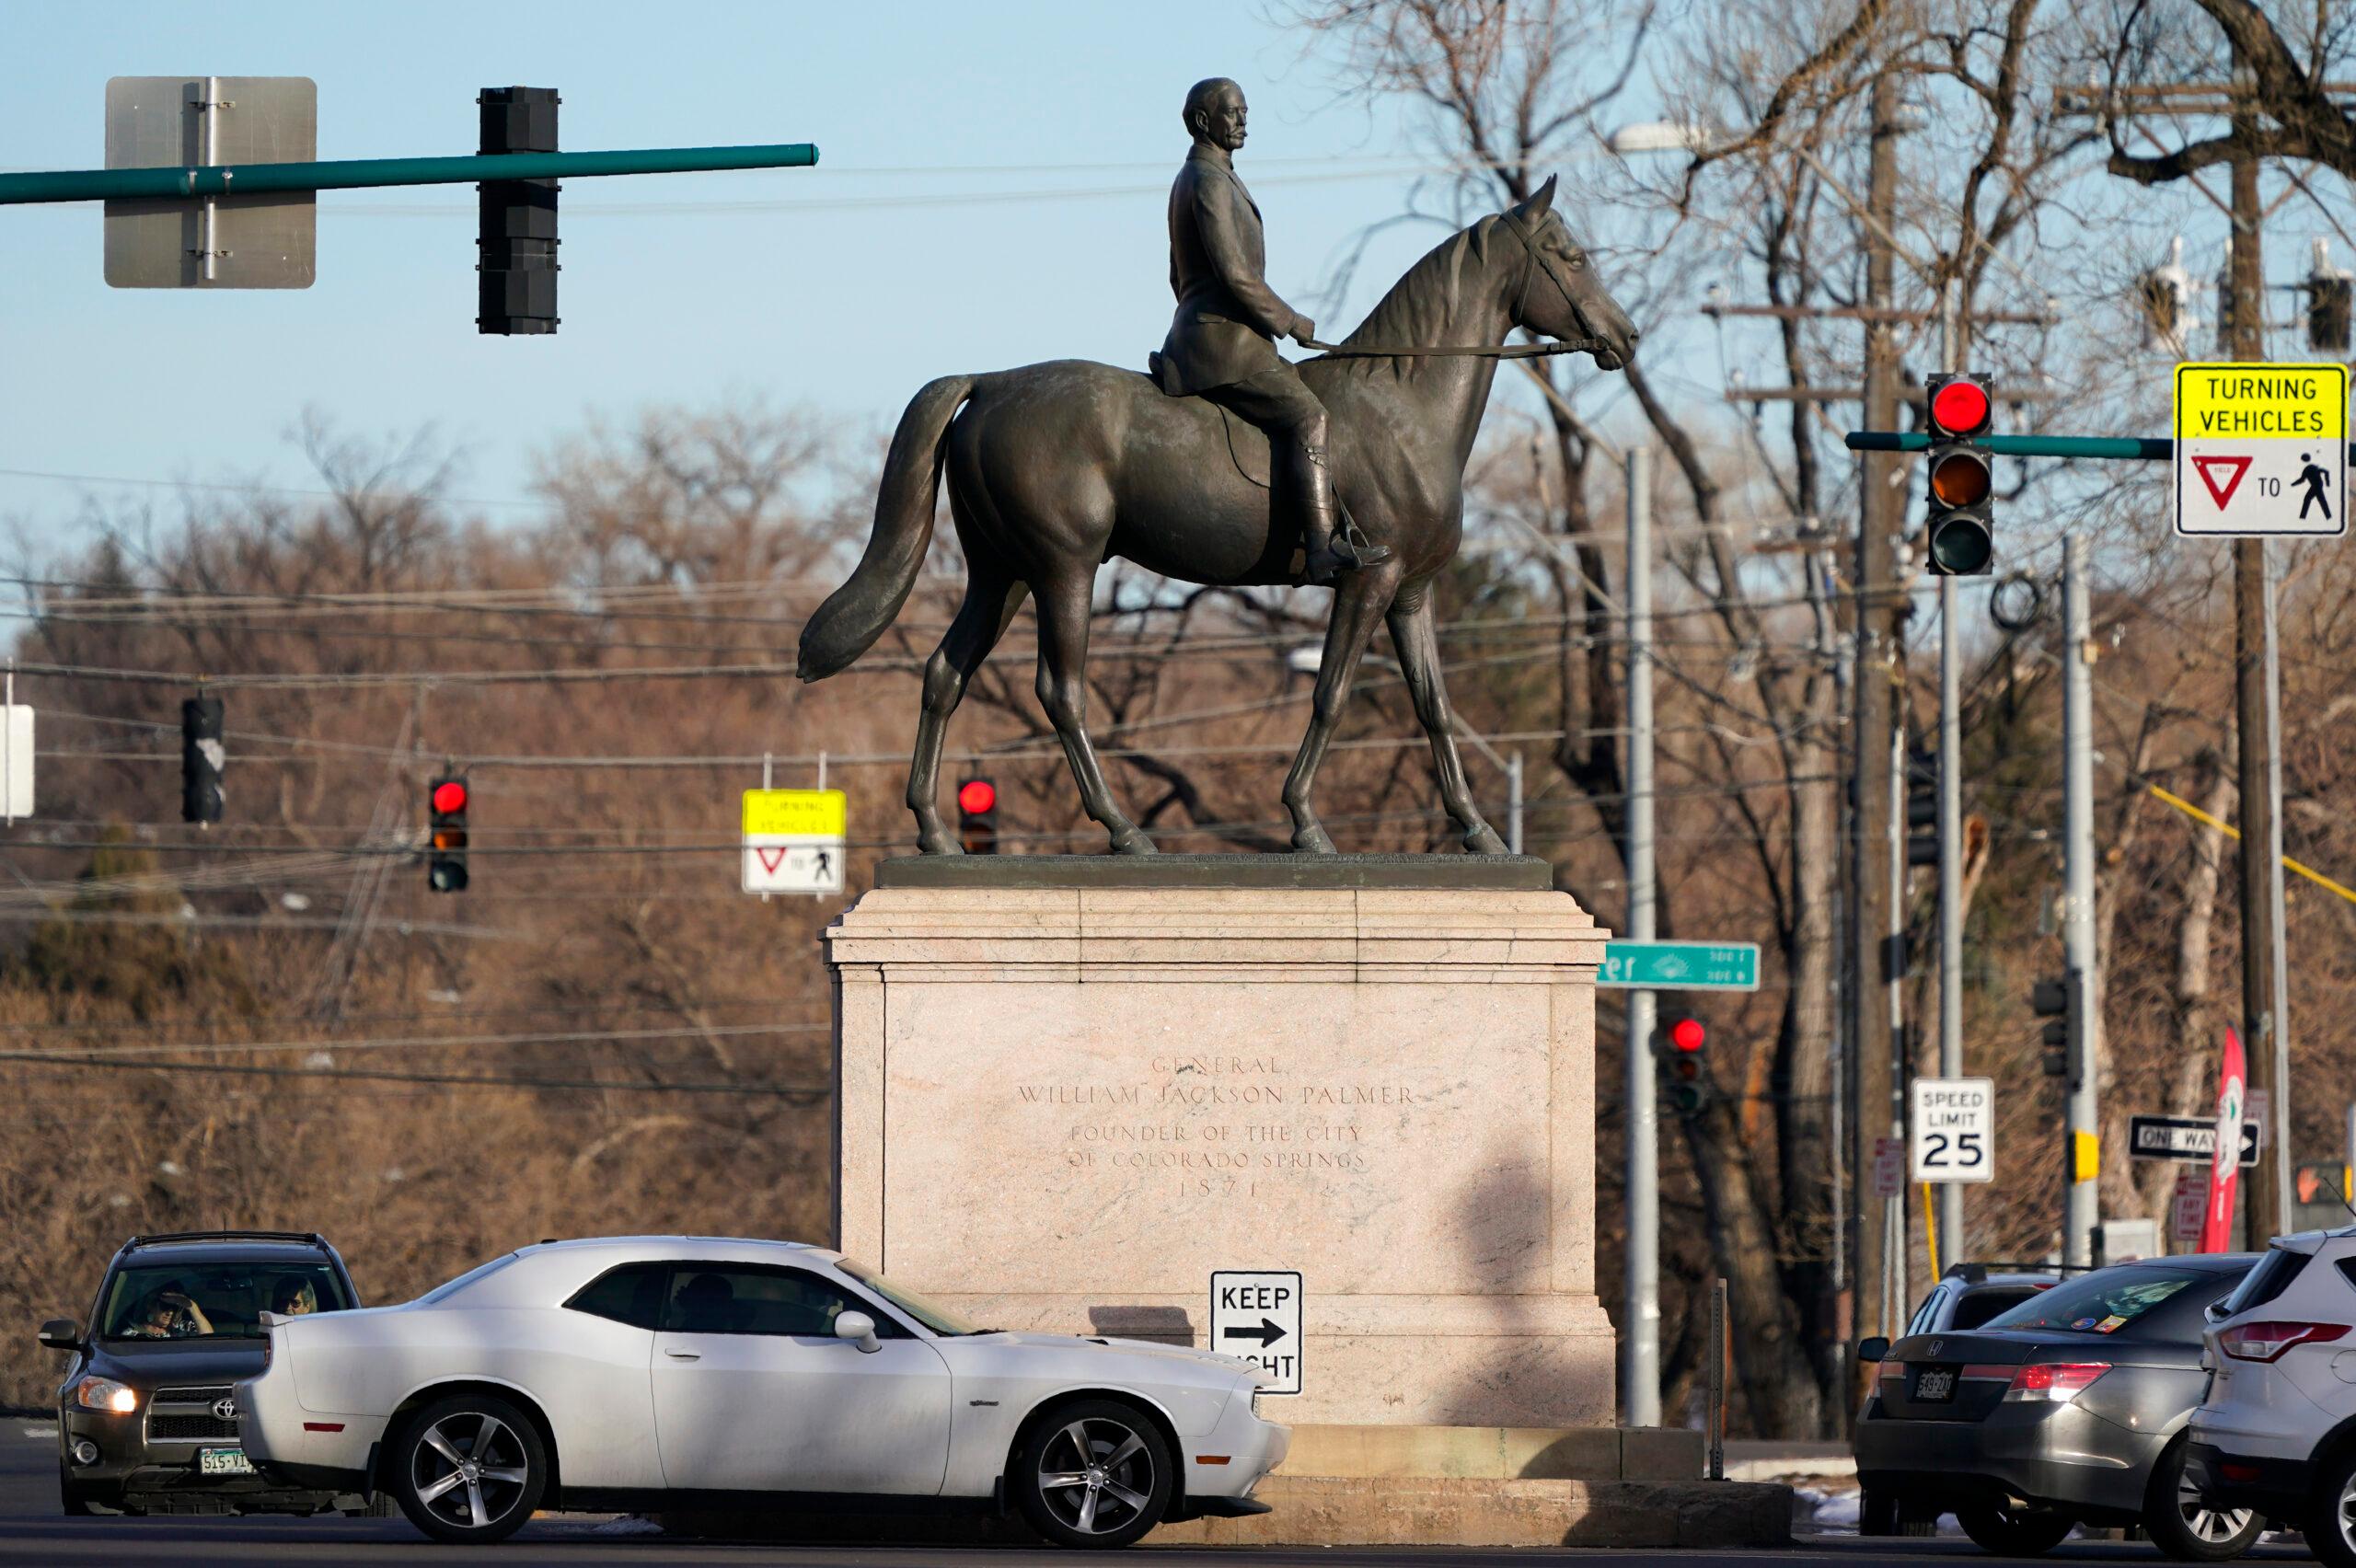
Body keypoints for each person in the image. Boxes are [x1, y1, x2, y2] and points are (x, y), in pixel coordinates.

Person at [1152, 77, 1389, 586]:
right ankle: (1323, 548)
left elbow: (1177, 274)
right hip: (1222, 346)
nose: (1242, 122)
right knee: (1310, 416)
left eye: (1244, 112)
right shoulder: (1209, 181)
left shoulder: (1200, 177)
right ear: (1201, 122)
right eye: (1232, 113)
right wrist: (1289, 322)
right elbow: (1237, 276)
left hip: (1218, 335)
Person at [124, 1285, 214, 1339]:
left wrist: (191, 1306)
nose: (170, 1313)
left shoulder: (184, 1328)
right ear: (151, 1305)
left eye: (174, 1307)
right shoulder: (133, 1335)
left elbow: (209, 1339)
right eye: (165, 1306)